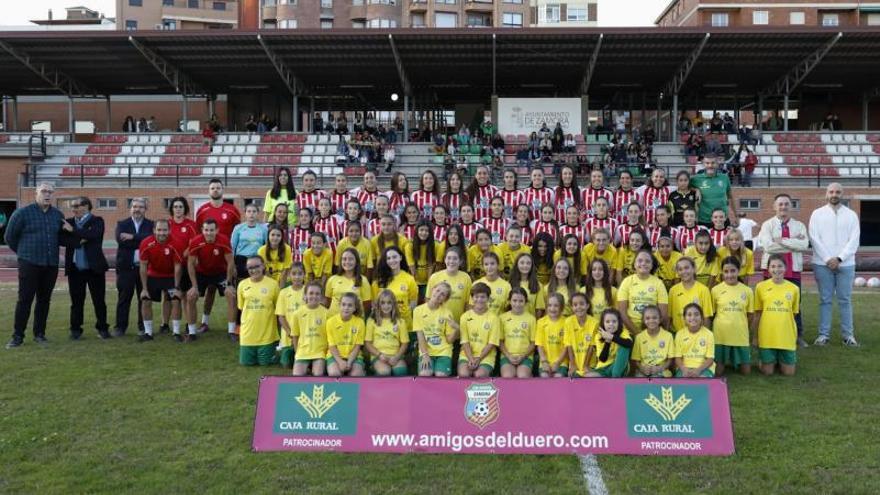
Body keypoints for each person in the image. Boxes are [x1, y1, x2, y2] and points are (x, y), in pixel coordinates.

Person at [5, 183, 70, 348]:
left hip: (50, 264)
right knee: (25, 300)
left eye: (50, 192)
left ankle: (39, 334)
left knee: (44, 300)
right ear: (36, 193)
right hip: (29, 263)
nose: (47, 194)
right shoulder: (22, 213)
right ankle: (17, 336)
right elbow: (9, 237)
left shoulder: (57, 215)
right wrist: (24, 253)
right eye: (44, 191)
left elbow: (62, 236)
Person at [809, 183, 860, 347]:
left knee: (845, 300)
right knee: (825, 300)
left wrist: (839, 258)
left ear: (842, 194)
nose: (834, 194)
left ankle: (848, 336)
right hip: (822, 264)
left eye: (838, 192)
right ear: (826, 194)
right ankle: (823, 335)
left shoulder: (851, 215)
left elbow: (854, 240)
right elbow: (814, 238)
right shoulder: (817, 214)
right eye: (831, 191)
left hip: (846, 265)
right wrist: (827, 259)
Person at [756, 193, 809, 348]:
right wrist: (793, 242)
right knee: (768, 303)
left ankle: (797, 335)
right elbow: (768, 246)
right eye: (780, 204)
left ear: (790, 206)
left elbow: (804, 245)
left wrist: (781, 241)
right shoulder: (767, 225)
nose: (783, 207)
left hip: (793, 270)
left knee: (795, 304)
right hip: (771, 270)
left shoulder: (799, 225)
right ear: (774, 207)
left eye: (786, 204)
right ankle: (764, 333)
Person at [62, 197, 110, 341]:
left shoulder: (97, 220)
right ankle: (76, 329)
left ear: (87, 206)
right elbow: (62, 239)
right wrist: (79, 240)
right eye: (72, 206)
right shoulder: (68, 222)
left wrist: (73, 231)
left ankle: (102, 328)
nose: (73, 209)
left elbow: (94, 235)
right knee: (76, 301)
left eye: (76, 205)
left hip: (94, 268)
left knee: (99, 300)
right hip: (75, 269)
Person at [186, 219, 237, 341]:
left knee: (231, 295)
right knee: (191, 296)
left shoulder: (223, 240)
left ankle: (231, 332)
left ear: (217, 230)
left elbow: (230, 262)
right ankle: (192, 333)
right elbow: (190, 264)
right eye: (206, 230)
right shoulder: (196, 241)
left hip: (220, 273)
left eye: (212, 230)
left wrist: (229, 283)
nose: (209, 233)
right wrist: (194, 286)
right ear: (202, 230)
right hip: (202, 273)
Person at [138, 219, 184, 342]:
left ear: (169, 230)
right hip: (153, 275)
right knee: (145, 300)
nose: (161, 233)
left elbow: (177, 267)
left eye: (164, 230)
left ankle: (176, 332)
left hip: (170, 276)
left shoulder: (176, 243)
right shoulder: (146, 243)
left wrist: (177, 287)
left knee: (175, 300)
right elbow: (143, 266)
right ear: (154, 230)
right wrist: (144, 288)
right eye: (159, 230)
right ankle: (148, 333)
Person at [753, 255, 800, 376]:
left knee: (788, 373)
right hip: (767, 335)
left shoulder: (794, 289)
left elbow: (793, 314)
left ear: (785, 268)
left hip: (786, 336)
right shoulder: (760, 287)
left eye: (780, 266)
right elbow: (758, 314)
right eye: (773, 266)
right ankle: (767, 361)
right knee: (767, 372)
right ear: (768, 269)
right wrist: (755, 337)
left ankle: (779, 359)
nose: (776, 269)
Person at [114, 198, 154, 338]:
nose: (137, 209)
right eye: (135, 206)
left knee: (144, 298)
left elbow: (152, 240)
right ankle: (120, 327)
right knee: (124, 298)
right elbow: (121, 241)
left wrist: (132, 237)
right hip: (126, 268)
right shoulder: (122, 224)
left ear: (145, 209)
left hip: (145, 269)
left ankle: (143, 327)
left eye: (141, 207)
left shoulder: (151, 225)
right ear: (130, 208)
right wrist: (142, 241)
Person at [711, 256, 754, 375]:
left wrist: (744, 327)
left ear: (738, 270)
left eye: (733, 271)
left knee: (746, 372)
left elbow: (750, 315)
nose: (729, 275)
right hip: (721, 335)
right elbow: (712, 314)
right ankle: (723, 360)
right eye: (726, 271)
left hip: (740, 334)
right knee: (718, 372)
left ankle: (737, 360)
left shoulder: (747, 291)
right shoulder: (715, 290)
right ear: (722, 272)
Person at [414, 282, 459, 377]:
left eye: (442, 294)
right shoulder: (418, 310)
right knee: (425, 374)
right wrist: (425, 355)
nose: (438, 294)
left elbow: (449, 340)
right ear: (432, 289)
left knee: (441, 375)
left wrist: (456, 329)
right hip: (426, 351)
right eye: (437, 290)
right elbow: (420, 335)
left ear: (445, 299)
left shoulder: (447, 313)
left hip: (443, 352)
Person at [458, 282, 501, 378]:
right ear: (472, 298)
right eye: (476, 297)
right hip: (467, 355)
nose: (479, 300)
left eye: (483, 297)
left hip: (486, 356)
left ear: (488, 298)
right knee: (463, 374)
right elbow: (465, 341)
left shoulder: (494, 318)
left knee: (479, 375)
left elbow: (491, 343)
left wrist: (478, 358)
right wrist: (471, 358)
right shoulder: (465, 316)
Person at [366, 289, 409, 377]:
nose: (386, 306)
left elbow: (405, 343)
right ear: (378, 304)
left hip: (395, 355)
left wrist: (397, 357)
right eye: (383, 303)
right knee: (384, 372)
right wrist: (379, 355)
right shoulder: (371, 321)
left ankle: (399, 390)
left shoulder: (400, 322)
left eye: (389, 303)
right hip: (379, 356)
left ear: (393, 304)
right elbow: (368, 343)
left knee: (401, 371)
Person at [325, 293, 366, 377]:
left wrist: (349, 362)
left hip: (354, 356)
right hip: (335, 356)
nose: (346, 308)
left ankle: (362, 370)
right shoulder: (330, 322)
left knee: (356, 374)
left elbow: (357, 346)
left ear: (355, 308)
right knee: (334, 374)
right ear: (339, 305)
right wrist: (340, 362)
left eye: (350, 305)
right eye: (343, 304)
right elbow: (332, 346)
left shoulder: (360, 322)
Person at [583, 308, 633, 377]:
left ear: (619, 323)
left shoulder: (623, 332)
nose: (611, 324)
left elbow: (629, 344)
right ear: (603, 323)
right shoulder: (598, 336)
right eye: (607, 322)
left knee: (624, 346)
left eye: (614, 321)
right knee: (588, 376)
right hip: (603, 368)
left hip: (617, 366)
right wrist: (608, 341)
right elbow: (602, 359)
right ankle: (610, 378)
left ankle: (615, 378)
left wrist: (612, 337)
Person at [499, 288, 537, 378]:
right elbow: (500, 341)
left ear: (525, 302)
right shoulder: (502, 318)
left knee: (522, 376)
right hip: (507, 356)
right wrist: (509, 356)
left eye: (521, 301)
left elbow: (533, 342)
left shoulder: (531, 319)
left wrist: (523, 356)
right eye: (514, 300)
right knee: (508, 376)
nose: (517, 304)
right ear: (509, 301)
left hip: (525, 356)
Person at [690, 157, 736, 228]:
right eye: (707, 163)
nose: (710, 165)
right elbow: (685, 187)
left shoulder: (724, 178)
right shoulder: (696, 179)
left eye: (713, 163)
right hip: (704, 221)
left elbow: (730, 197)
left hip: (722, 220)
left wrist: (735, 215)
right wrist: (696, 189)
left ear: (717, 164)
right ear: (703, 164)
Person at [275, 263, 305, 368]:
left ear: (304, 275)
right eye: (294, 274)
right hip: (288, 337)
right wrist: (290, 333)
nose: (297, 277)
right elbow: (281, 317)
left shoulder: (307, 292)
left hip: (304, 336)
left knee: (302, 363)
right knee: (286, 365)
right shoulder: (283, 293)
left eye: (300, 274)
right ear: (289, 276)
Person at [673, 303, 715, 378]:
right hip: (684, 368)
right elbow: (678, 358)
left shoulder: (709, 334)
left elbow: (710, 359)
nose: (693, 317)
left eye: (696, 314)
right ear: (684, 318)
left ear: (702, 317)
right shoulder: (679, 334)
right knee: (682, 382)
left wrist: (699, 370)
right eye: (689, 315)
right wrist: (684, 369)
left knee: (702, 380)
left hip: (704, 368)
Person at [631, 305, 674, 377]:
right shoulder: (639, 337)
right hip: (644, 370)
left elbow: (671, 359)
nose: (651, 321)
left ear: (660, 319)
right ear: (643, 320)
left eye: (654, 318)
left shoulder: (668, 336)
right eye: (647, 318)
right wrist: (642, 369)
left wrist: (660, 368)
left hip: (662, 370)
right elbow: (636, 360)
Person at [565, 293, 599, 378]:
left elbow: (592, 346)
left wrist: (586, 365)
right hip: (575, 363)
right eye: (575, 305)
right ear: (572, 307)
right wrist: (572, 365)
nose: (579, 307)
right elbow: (569, 345)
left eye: (582, 304)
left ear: (587, 305)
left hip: (590, 363)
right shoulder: (568, 322)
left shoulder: (594, 322)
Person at [536, 293, 568, 377]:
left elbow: (567, 346)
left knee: (558, 377)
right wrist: (544, 362)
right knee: (544, 376)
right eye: (549, 305)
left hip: (561, 362)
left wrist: (557, 363)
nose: (552, 308)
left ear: (562, 307)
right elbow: (539, 344)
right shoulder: (541, 322)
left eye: (556, 306)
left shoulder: (567, 322)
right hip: (545, 361)